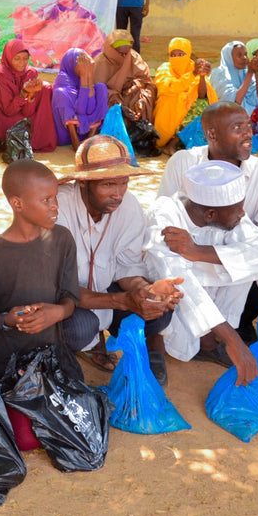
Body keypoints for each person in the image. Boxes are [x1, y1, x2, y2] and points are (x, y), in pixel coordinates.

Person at [145, 160, 258, 382]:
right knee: (169, 285)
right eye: (238, 209)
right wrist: (234, 340)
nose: (243, 214)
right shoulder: (165, 215)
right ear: (210, 215)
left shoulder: (231, 218)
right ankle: (153, 344)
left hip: (203, 292)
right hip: (166, 294)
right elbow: (180, 281)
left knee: (246, 265)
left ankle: (208, 340)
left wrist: (198, 252)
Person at [158, 101, 258, 341]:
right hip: (189, 266)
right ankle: (209, 334)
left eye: (249, 126)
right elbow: (168, 225)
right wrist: (193, 252)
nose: (248, 133)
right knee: (168, 269)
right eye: (237, 127)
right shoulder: (182, 163)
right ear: (212, 134)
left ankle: (233, 327)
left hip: (241, 267)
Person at [57, 136, 182, 383]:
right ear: (84, 183)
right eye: (108, 184)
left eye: (123, 183)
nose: (118, 194)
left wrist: (144, 290)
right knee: (80, 328)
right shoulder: (57, 208)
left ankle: (102, 341)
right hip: (64, 300)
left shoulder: (129, 207)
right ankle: (79, 349)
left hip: (106, 294)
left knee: (160, 312)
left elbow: (127, 265)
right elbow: (58, 287)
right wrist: (123, 301)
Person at [0, 159, 79, 383]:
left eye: (55, 197)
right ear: (17, 204)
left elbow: (69, 297)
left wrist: (57, 313)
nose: (55, 206)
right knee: (19, 414)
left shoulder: (62, 240)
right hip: (5, 356)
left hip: (51, 351)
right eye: (46, 200)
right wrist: (6, 319)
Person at [0, 39, 58, 153]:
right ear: (8, 57)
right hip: (6, 113)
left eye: (25, 58)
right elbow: (9, 111)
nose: (22, 63)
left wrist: (31, 94)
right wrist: (23, 93)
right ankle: (5, 138)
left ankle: (37, 139)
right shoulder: (3, 75)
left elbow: (27, 112)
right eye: (17, 58)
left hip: (23, 112)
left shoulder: (30, 73)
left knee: (45, 88)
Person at [153, 37, 217, 148]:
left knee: (202, 104)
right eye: (173, 55)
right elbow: (170, 88)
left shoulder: (193, 66)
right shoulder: (164, 69)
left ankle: (177, 142)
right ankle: (171, 140)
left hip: (187, 111)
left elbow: (202, 95)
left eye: (181, 54)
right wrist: (192, 75)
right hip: (169, 113)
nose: (177, 58)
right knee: (173, 100)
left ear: (188, 54)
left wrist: (201, 76)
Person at [92, 31, 156, 123]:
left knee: (143, 94)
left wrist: (140, 99)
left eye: (127, 53)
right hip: (110, 99)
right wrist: (119, 105)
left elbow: (146, 82)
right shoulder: (100, 64)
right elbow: (97, 91)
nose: (124, 57)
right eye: (121, 53)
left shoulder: (133, 57)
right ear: (111, 51)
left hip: (130, 96)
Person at [52, 48, 108, 149]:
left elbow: (90, 109)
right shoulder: (63, 78)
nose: (86, 66)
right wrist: (84, 78)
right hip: (68, 132)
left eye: (87, 62)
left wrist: (89, 76)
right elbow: (80, 110)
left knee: (101, 88)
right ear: (72, 64)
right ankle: (75, 142)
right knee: (61, 94)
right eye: (82, 63)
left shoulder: (85, 74)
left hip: (86, 127)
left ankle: (90, 138)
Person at [210, 41, 258, 122]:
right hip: (225, 122)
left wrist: (256, 72)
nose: (244, 58)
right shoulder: (220, 74)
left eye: (245, 54)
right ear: (229, 57)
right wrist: (250, 73)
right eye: (239, 55)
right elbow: (234, 103)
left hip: (245, 123)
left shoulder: (245, 73)